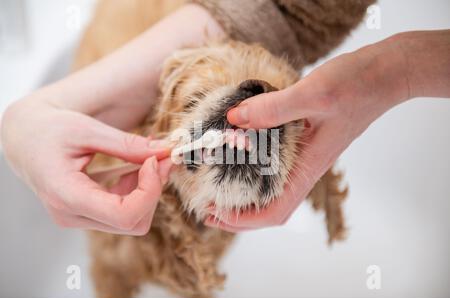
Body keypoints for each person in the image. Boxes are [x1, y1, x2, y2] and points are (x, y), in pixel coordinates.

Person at [1, 2, 449, 235]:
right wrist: (38, 111)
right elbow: (284, 8)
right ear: (149, 131)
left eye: (286, 106)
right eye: (199, 96)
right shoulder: (117, 165)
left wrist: (395, 73)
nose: (254, 109)